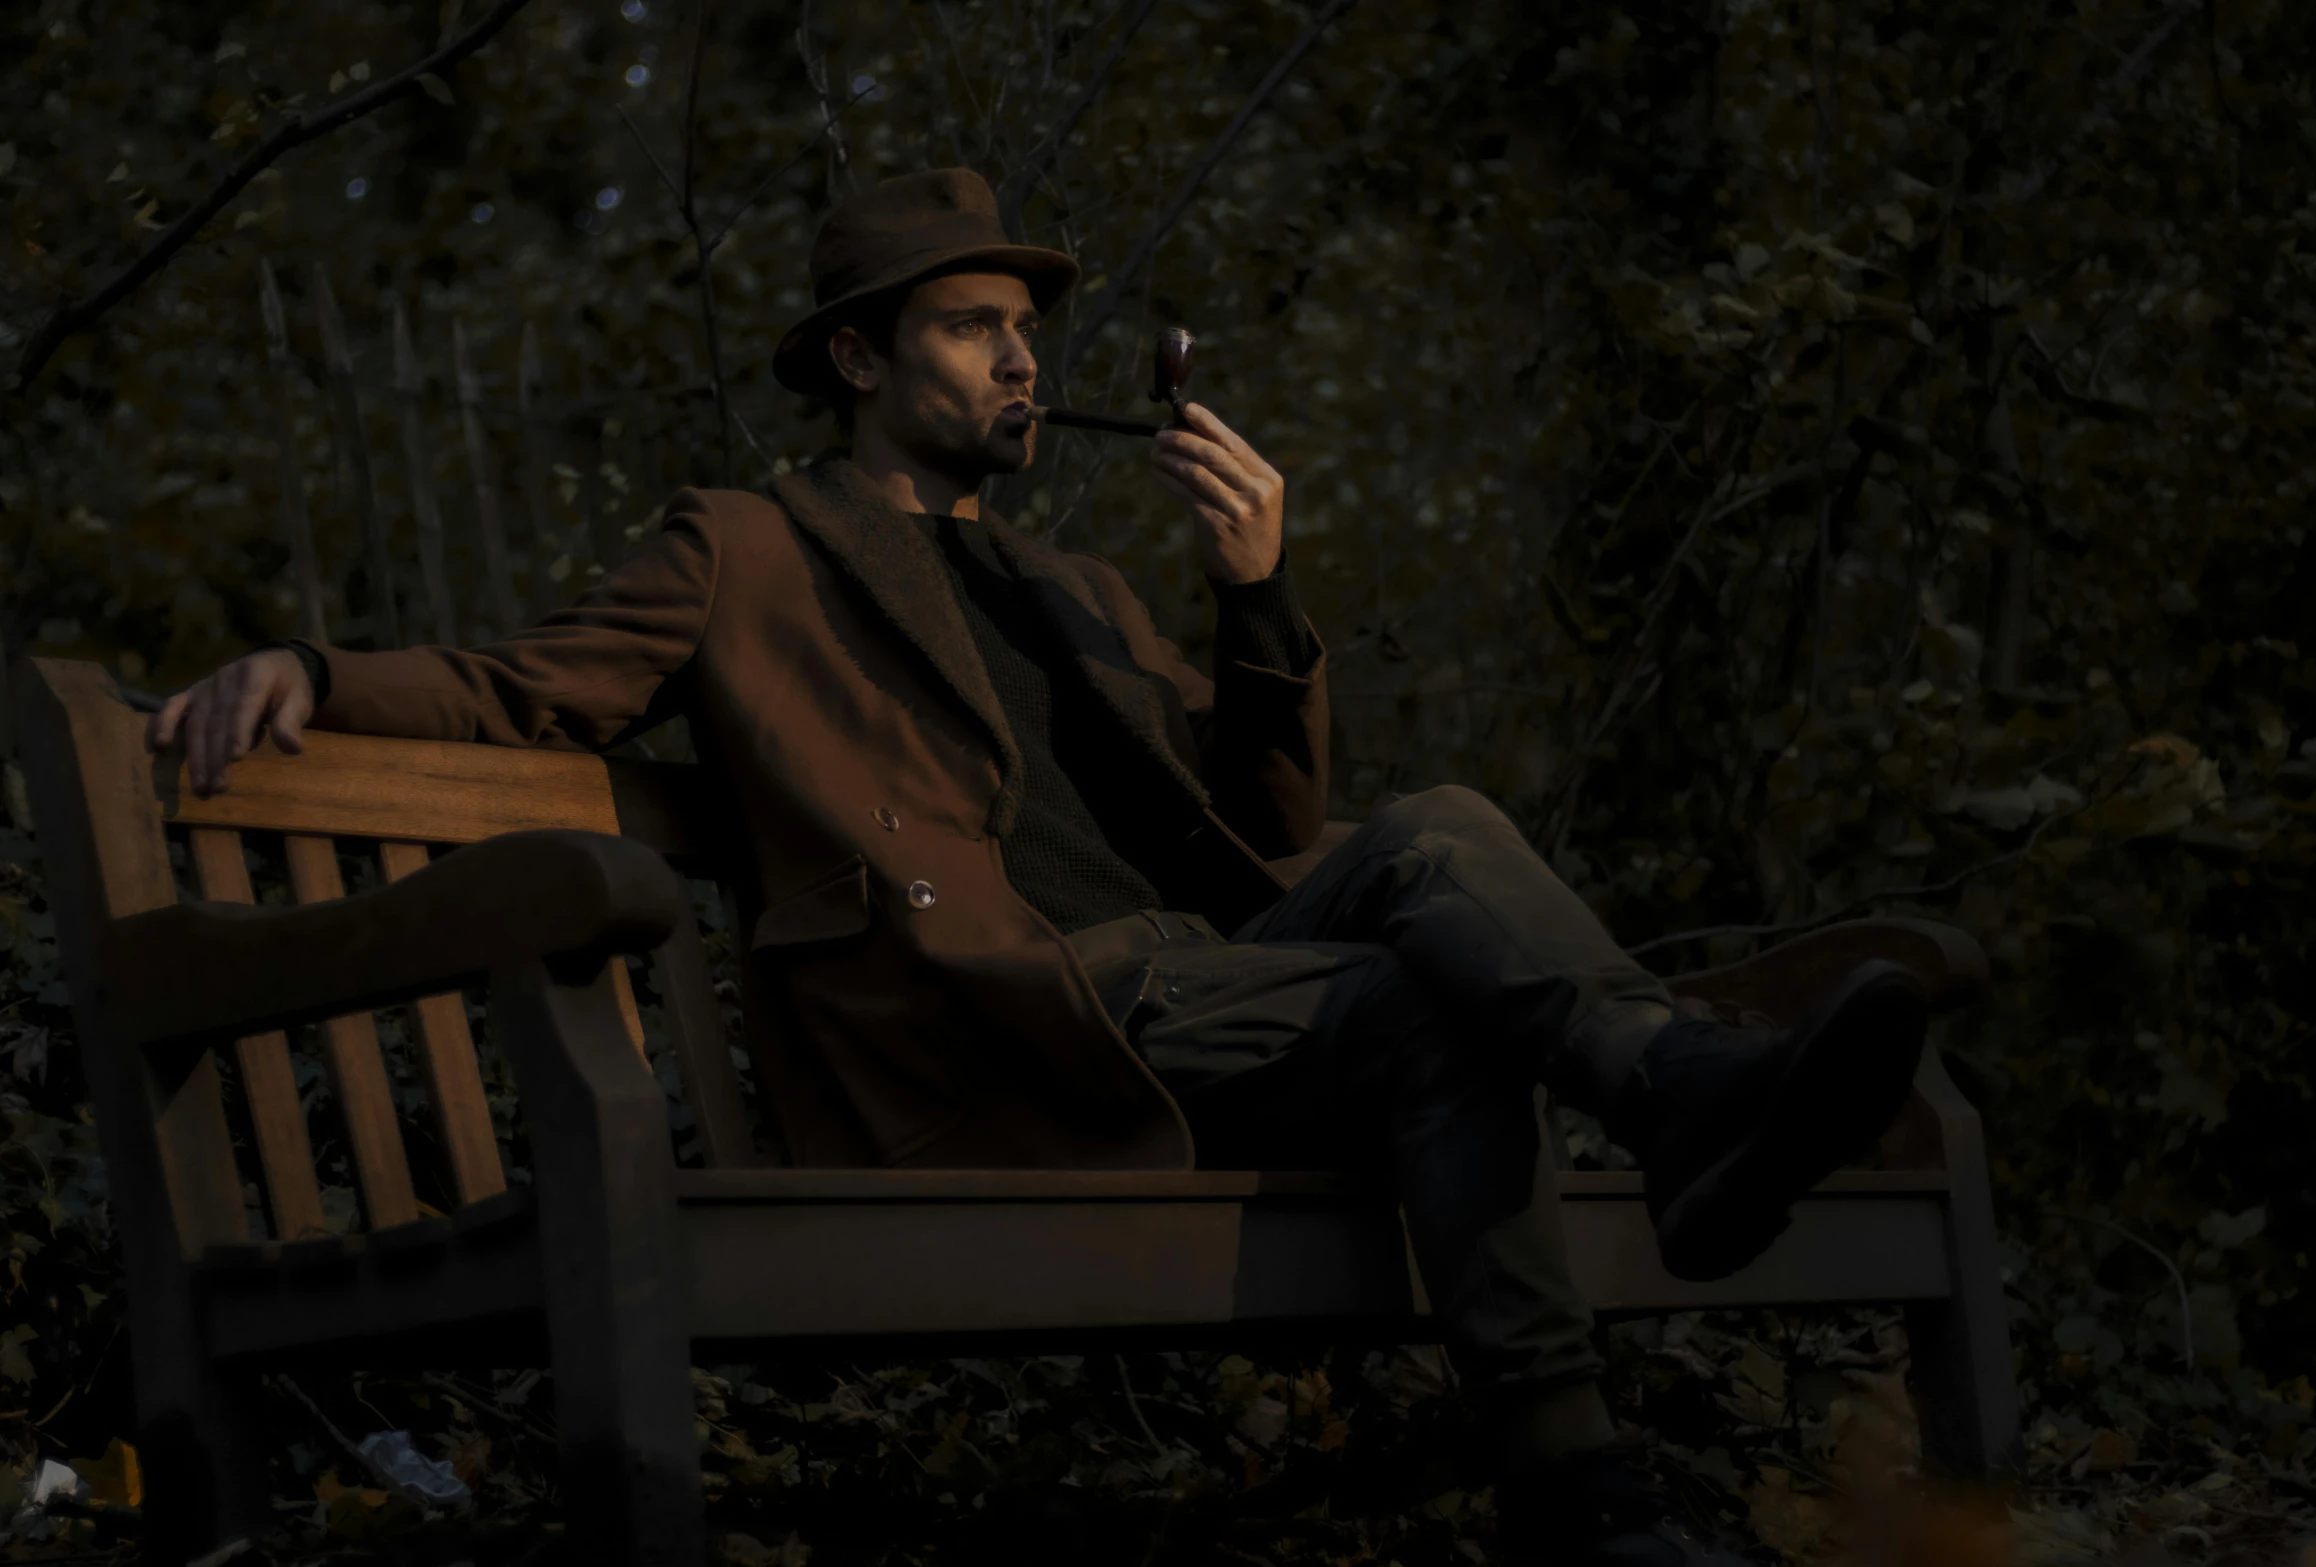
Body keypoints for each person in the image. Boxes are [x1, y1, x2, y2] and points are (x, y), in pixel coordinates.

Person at [148, 169, 1927, 1566]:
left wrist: (1254, 597)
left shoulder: (1075, 589)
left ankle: (1668, 1117)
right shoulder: (748, 549)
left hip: (1183, 987)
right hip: (990, 1030)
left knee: (1443, 826)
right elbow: (523, 690)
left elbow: (1274, 834)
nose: (1019, 362)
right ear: (859, 357)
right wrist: (313, 666)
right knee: (1414, 1011)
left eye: (1025, 330)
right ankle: (1588, 1468)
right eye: (972, 326)